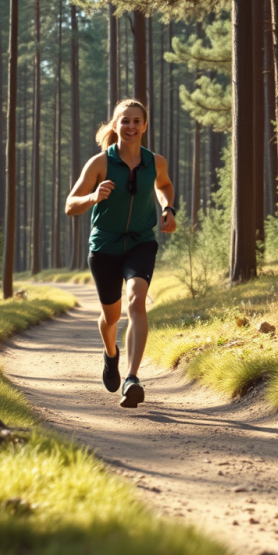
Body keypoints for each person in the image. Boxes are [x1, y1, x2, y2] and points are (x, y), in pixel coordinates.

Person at [65, 99, 176, 408]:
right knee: (111, 316)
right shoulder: (100, 163)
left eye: (136, 121)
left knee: (136, 300)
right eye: (124, 121)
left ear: (145, 125)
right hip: (105, 247)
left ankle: (132, 378)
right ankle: (111, 354)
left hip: (141, 242)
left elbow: (164, 185)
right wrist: (92, 196)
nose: (131, 126)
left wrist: (168, 208)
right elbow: (69, 205)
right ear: (115, 125)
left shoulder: (155, 161)